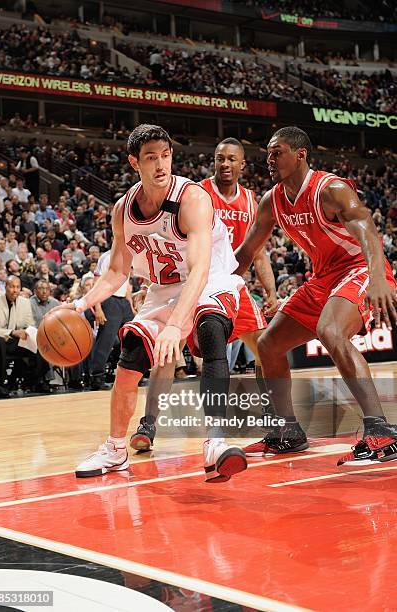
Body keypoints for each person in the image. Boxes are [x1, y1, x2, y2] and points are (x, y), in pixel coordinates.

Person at [56, 123, 247, 482]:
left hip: (210, 279)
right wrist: (79, 306)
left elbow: (200, 269)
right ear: (134, 162)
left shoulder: (192, 200)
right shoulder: (123, 210)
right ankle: (115, 450)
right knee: (129, 362)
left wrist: (176, 325)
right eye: (151, 158)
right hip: (162, 288)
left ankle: (216, 442)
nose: (161, 165)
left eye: (166, 155)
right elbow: (116, 272)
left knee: (208, 327)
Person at [235, 126, 397, 465]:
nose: (269, 158)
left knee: (330, 331)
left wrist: (379, 277)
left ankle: (381, 432)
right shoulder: (272, 200)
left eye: (277, 151)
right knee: (268, 345)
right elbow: (247, 251)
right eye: (268, 152)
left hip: (362, 268)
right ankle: (288, 432)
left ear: (300, 154)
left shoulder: (331, 188)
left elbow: (366, 225)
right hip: (324, 278)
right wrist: (208, 284)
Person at [130, 137, 277, 452]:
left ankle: (271, 412)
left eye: (231, 159)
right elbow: (161, 241)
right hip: (189, 280)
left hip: (229, 283)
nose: (224, 164)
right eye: (219, 158)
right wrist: (149, 287)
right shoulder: (195, 192)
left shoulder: (251, 201)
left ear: (242, 164)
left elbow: (260, 254)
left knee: (265, 345)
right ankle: (149, 423)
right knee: (169, 348)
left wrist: (271, 293)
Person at [0, 276, 50, 397]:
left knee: (38, 340)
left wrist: (28, 332)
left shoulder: (25, 302)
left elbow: (29, 324)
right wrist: (12, 332)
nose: (15, 290)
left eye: (17, 287)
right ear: (5, 287)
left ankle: (36, 380)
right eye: (12, 287)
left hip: (16, 341)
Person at [88, 249, 134, 390]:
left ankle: (131, 375)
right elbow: (96, 283)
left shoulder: (130, 256)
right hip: (109, 301)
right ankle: (97, 377)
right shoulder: (107, 257)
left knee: (133, 337)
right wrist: (98, 308)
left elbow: (126, 285)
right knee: (105, 341)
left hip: (123, 303)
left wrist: (131, 306)